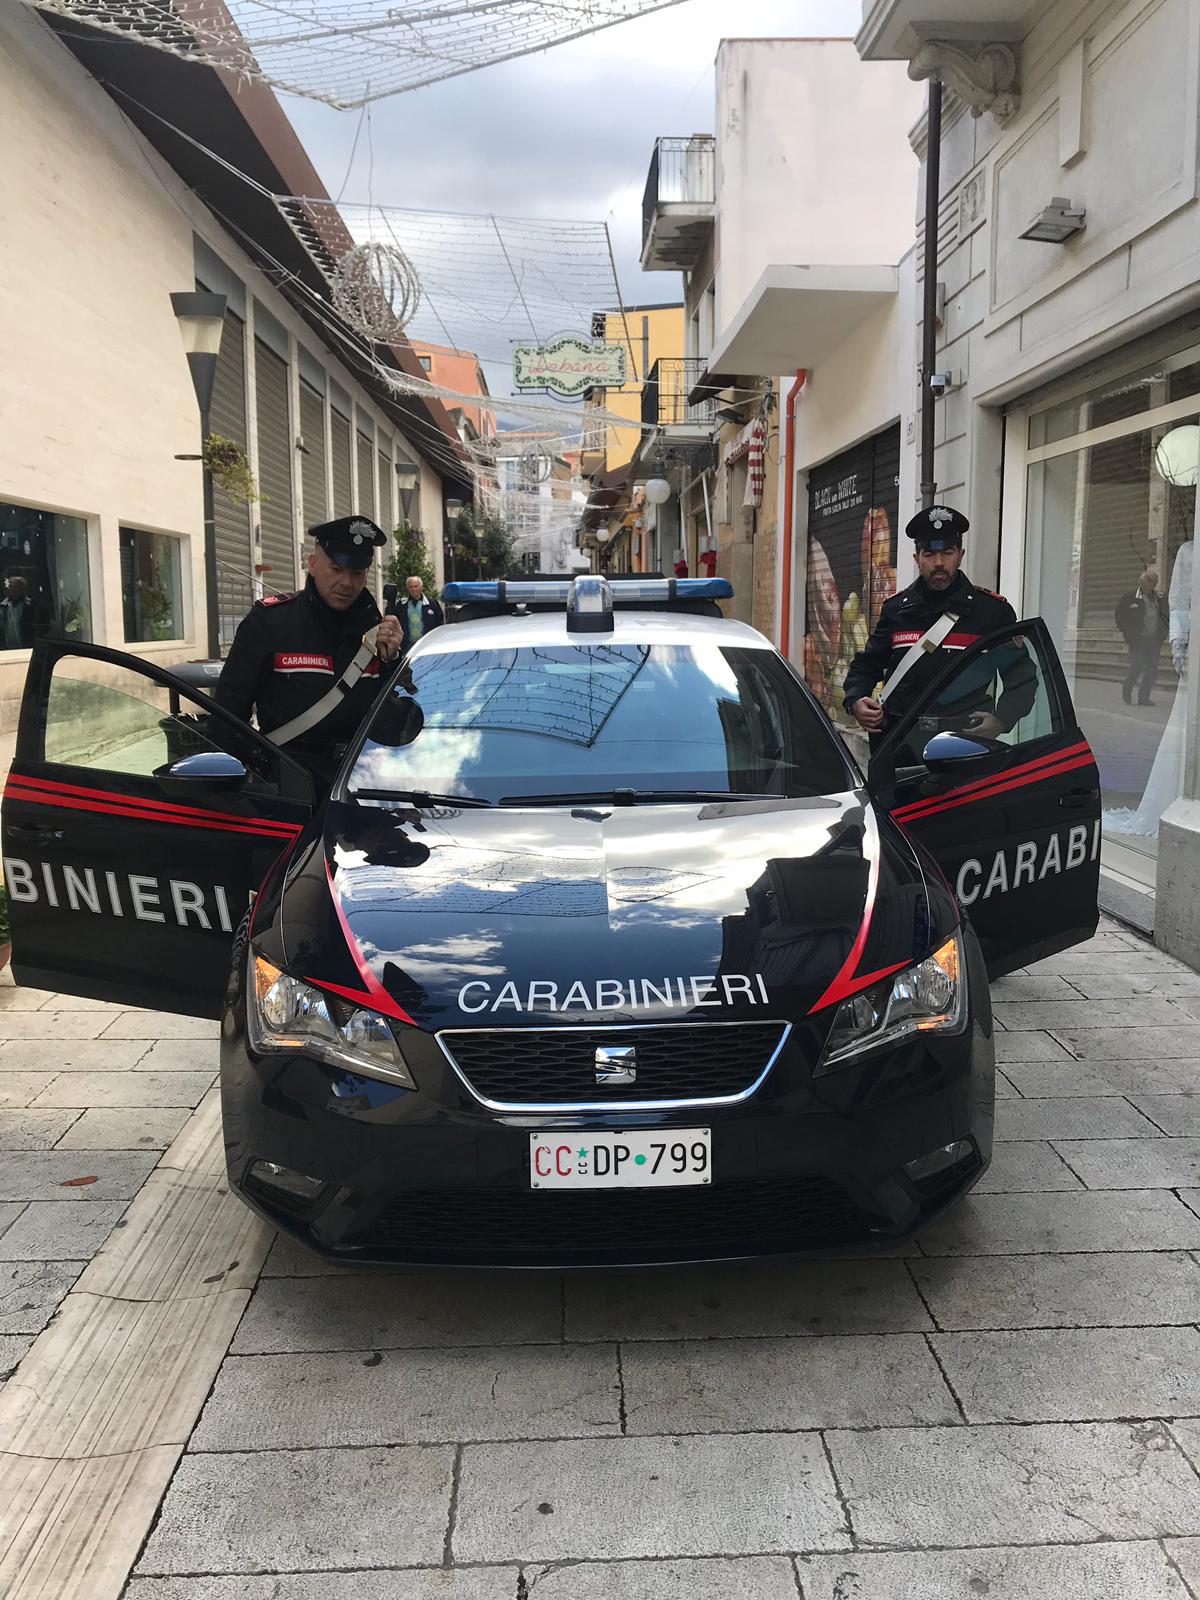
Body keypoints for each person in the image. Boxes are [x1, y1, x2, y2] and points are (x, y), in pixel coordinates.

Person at [215, 516, 403, 786]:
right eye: (337, 569)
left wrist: (394, 660)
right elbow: (227, 720)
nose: (347, 583)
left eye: (357, 573)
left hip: (364, 784)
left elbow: (402, 720)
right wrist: (259, 781)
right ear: (312, 564)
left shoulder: (380, 632)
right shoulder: (269, 622)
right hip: (289, 788)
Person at [843, 504, 1036, 752]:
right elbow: (867, 664)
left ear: (961, 555)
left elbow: (1022, 677)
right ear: (916, 559)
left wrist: (1002, 719)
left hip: (966, 741)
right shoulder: (896, 610)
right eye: (929, 555)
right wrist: (856, 699)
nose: (939, 563)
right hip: (900, 742)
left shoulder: (992, 613)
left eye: (947, 553)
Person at [1115, 567, 1168, 706]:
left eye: (1154, 581)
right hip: (1137, 640)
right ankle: (1127, 689)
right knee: (1137, 666)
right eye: (1149, 580)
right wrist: (1128, 635)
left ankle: (1144, 697)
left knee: (1151, 669)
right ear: (1141, 582)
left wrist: (1163, 634)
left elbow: (1166, 616)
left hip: (1154, 640)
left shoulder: (1160, 598)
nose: (1152, 584)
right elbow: (1120, 617)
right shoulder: (1130, 597)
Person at [398, 574, 443, 655]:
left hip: (428, 644)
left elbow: (440, 624)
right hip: (408, 645)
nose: (414, 589)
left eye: (416, 586)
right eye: (411, 587)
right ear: (408, 588)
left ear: (421, 587)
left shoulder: (432, 604)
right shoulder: (402, 604)